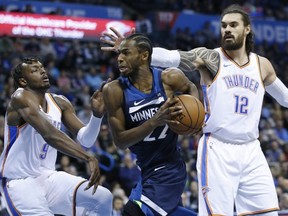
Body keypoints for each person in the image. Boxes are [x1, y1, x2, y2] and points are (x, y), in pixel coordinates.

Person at [100, 4, 288, 216]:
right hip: (219, 148)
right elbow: (173, 57)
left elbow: (285, 98)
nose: (227, 29)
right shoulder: (211, 58)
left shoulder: (262, 65)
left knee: (268, 214)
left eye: (233, 25)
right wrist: (131, 51)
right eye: (223, 25)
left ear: (247, 29)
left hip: (252, 148)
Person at [0, 57, 113, 215]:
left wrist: (96, 116)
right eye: (34, 70)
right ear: (23, 81)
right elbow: (49, 134)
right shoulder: (19, 98)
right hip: (20, 182)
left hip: (48, 177)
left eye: (42, 68)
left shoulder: (60, 102)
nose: (42, 72)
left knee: (103, 197)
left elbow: (86, 139)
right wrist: (88, 157)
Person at [101, 33, 198, 216]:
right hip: (146, 169)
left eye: (126, 53)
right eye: (119, 54)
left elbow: (190, 87)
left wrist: (194, 120)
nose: (120, 58)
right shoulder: (114, 90)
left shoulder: (169, 78)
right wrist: (155, 121)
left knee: (132, 212)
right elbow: (120, 141)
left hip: (169, 168)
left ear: (144, 56)